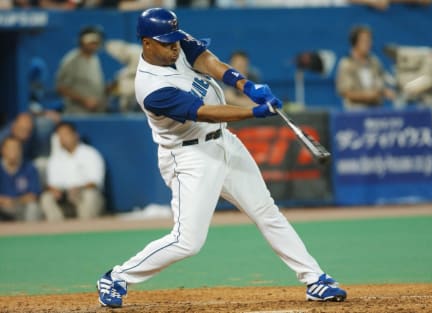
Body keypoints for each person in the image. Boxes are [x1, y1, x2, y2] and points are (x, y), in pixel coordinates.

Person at [95, 8, 347, 308]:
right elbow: (205, 112)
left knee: (266, 211)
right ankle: (117, 277)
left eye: (175, 39)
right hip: (190, 157)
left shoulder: (175, 43)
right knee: (187, 241)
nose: (174, 46)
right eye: (166, 42)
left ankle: (315, 278)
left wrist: (245, 85)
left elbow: (207, 61)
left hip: (224, 142)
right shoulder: (151, 87)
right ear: (146, 43)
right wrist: (255, 112)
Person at [40, 122, 105, 221]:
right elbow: (52, 184)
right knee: (46, 198)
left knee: (90, 194)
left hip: (82, 194)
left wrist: (78, 189)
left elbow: (95, 183)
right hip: (64, 197)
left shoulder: (90, 154)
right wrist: (56, 190)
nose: (62, 139)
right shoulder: (55, 158)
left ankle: (86, 229)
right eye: (60, 136)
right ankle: (56, 230)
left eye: (65, 134)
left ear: (75, 135)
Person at [336, 25, 394, 110]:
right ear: (355, 42)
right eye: (364, 41)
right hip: (356, 112)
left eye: (370, 40)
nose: (369, 44)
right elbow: (346, 92)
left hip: (377, 110)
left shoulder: (374, 62)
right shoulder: (346, 64)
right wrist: (369, 95)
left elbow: (383, 81)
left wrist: (385, 92)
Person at [56, 25, 108, 114]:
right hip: (77, 113)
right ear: (82, 42)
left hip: (96, 113)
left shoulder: (95, 59)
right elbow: (61, 88)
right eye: (91, 42)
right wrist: (84, 100)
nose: (94, 46)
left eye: (96, 43)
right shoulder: (71, 60)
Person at [0, 136, 42, 222]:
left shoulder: (29, 168)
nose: (13, 151)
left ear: (20, 150)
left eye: (16, 148)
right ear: (2, 150)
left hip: (22, 206)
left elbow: (33, 195)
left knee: (33, 207)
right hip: (2, 207)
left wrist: (14, 201)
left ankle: (31, 233)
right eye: (10, 148)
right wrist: (4, 201)